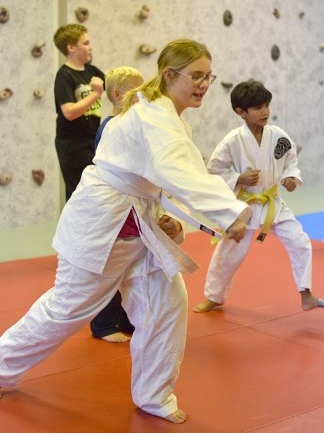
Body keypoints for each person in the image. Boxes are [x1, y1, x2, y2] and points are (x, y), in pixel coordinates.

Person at [0, 38, 251, 424]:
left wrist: (180, 221)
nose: (203, 84)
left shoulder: (165, 115)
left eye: (208, 76)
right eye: (196, 76)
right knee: (66, 310)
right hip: (104, 222)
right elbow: (178, 171)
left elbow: (172, 176)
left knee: (166, 304)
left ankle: (153, 394)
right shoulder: (153, 114)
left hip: (137, 225)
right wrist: (228, 215)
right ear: (169, 75)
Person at [193, 78, 324, 314]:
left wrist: (291, 178)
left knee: (300, 242)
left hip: (273, 202)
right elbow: (213, 172)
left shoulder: (279, 137)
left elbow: (290, 162)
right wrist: (238, 178)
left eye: (266, 105)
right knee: (229, 254)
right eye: (258, 108)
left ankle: (306, 294)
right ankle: (214, 297)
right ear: (240, 112)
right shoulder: (232, 141)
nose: (265, 112)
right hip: (244, 206)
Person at [90, 66, 144, 343]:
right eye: (137, 92)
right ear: (118, 94)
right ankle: (103, 324)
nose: (143, 97)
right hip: (113, 209)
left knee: (132, 267)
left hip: (130, 209)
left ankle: (126, 317)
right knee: (110, 268)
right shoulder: (110, 127)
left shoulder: (127, 125)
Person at [54, 23, 105, 201]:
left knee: (96, 190)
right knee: (80, 192)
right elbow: (69, 112)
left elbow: (114, 85)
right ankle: (74, 228)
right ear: (71, 47)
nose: (90, 47)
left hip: (92, 140)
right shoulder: (64, 75)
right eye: (86, 43)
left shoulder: (91, 71)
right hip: (72, 144)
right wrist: (96, 94)